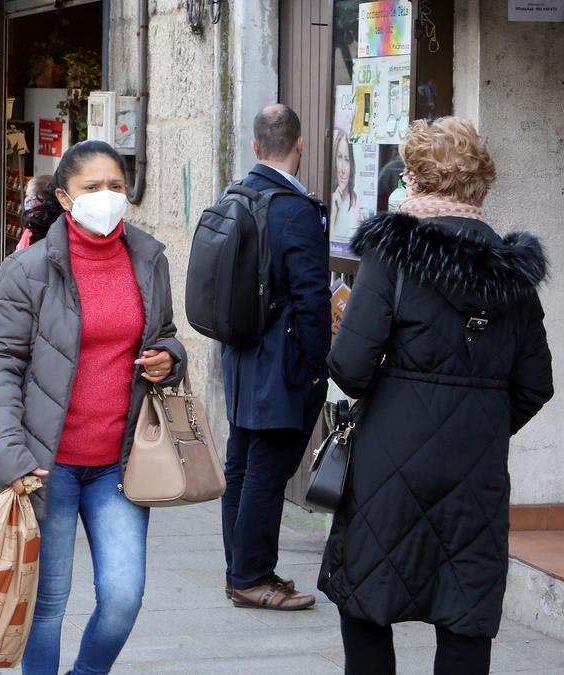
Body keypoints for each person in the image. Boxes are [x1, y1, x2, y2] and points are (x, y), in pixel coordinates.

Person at [321, 117, 553, 675]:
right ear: (481, 184)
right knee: (465, 613)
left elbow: (351, 369)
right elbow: (535, 383)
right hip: (476, 468)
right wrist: (482, 419)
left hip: (387, 458)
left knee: (368, 604)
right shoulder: (513, 272)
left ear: (416, 179)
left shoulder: (392, 254)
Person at [0, 140, 186, 674]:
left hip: (118, 464)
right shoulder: (27, 270)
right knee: (45, 607)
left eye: (115, 186)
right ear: (66, 199)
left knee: (122, 598)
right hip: (47, 465)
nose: (107, 196)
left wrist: (169, 356)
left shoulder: (148, 258)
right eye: (92, 187)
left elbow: (163, 335)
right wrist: (8, 454)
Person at [221, 104, 330, 611]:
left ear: (255, 147)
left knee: (242, 466)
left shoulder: (235, 196)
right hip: (281, 361)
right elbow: (312, 300)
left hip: (240, 356)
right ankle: (251, 576)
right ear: (300, 145)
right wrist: (316, 368)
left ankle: (241, 568)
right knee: (265, 470)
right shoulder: (295, 209)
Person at [329, 129, 360, 242]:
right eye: (339, 157)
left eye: (347, 160)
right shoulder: (327, 196)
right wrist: (332, 217)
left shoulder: (355, 204)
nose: (343, 169)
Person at [16, 174, 54, 251]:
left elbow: (19, 258)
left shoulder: (32, 232)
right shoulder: (64, 225)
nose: (27, 200)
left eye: (28, 195)